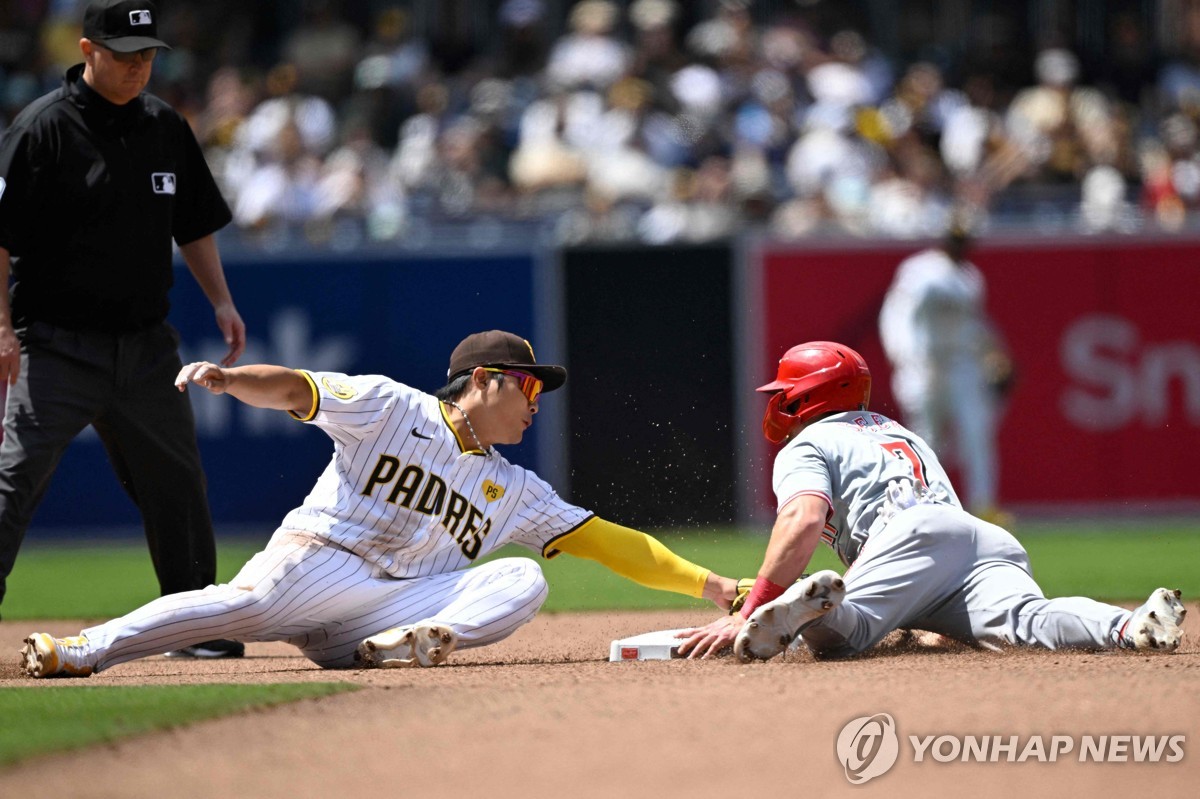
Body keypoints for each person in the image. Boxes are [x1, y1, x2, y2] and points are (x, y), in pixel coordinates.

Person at [21, 330, 742, 677]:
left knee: (526, 578)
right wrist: (233, 380)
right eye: (527, 388)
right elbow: (300, 389)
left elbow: (611, 542)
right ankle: (87, 646)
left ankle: (410, 646)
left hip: (383, 616)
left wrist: (710, 584)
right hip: (319, 562)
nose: (535, 405)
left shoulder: (516, 489)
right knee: (238, 607)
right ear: (484, 381)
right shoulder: (393, 406)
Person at [677, 341, 1186, 661]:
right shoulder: (896, 429)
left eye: (784, 393)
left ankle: (809, 606)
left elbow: (803, 517)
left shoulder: (808, 443)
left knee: (843, 639)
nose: (777, 403)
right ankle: (1124, 625)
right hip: (976, 537)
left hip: (907, 537)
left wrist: (754, 606)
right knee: (1031, 620)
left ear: (806, 398)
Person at [0, 1, 246, 658]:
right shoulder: (41, 130)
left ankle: (193, 624)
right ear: (87, 50)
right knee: (13, 479)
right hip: (54, 344)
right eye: (124, 53)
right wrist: (1, 328)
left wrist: (220, 299)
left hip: (143, 348)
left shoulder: (165, 125)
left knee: (178, 484)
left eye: (147, 55)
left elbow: (192, 222)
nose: (139, 66)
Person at [877, 218, 1013, 521]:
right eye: (955, 241)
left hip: (962, 364)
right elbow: (898, 313)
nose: (960, 248)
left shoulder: (970, 277)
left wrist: (991, 351)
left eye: (964, 242)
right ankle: (920, 505)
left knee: (977, 432)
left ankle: (984, 505)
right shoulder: (921, 271)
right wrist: (904, 355)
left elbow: (972, 323)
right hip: (925, 362)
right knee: (926, 439)